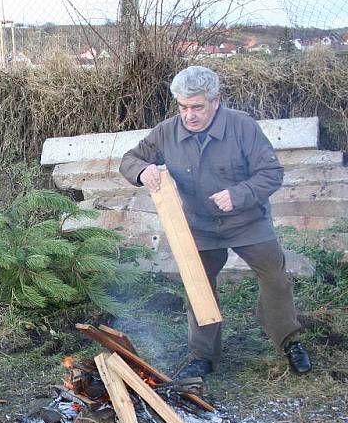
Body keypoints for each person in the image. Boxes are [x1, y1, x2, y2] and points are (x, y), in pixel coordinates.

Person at [119, 65, 312, 378]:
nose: (189, 115)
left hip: (248, 220)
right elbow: (130, 159)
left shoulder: (242, 126)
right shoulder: (167, 132)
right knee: (198, 284)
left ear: (216, 100)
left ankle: (288, 340)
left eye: (197, 107)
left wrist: (239, 194)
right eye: (183, 107)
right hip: (201, 226)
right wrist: (142, 171)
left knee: (275, 277)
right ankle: (203, 356)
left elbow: (272, 173)